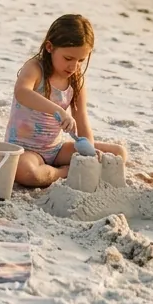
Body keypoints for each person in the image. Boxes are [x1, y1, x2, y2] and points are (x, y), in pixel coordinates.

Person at [7, 14, 127, 187]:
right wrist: (59, 111)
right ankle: (64, 172)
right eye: (68, 58)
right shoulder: (35, 68)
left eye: (81, 60)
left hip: (55, 150)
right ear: (49, 47)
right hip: (25, 149)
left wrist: (89, 153)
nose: (74, 66)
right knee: (27, 173)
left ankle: (68, 167)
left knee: (118, 153)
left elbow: (82, 118)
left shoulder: (75, 79)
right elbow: (22, 92)